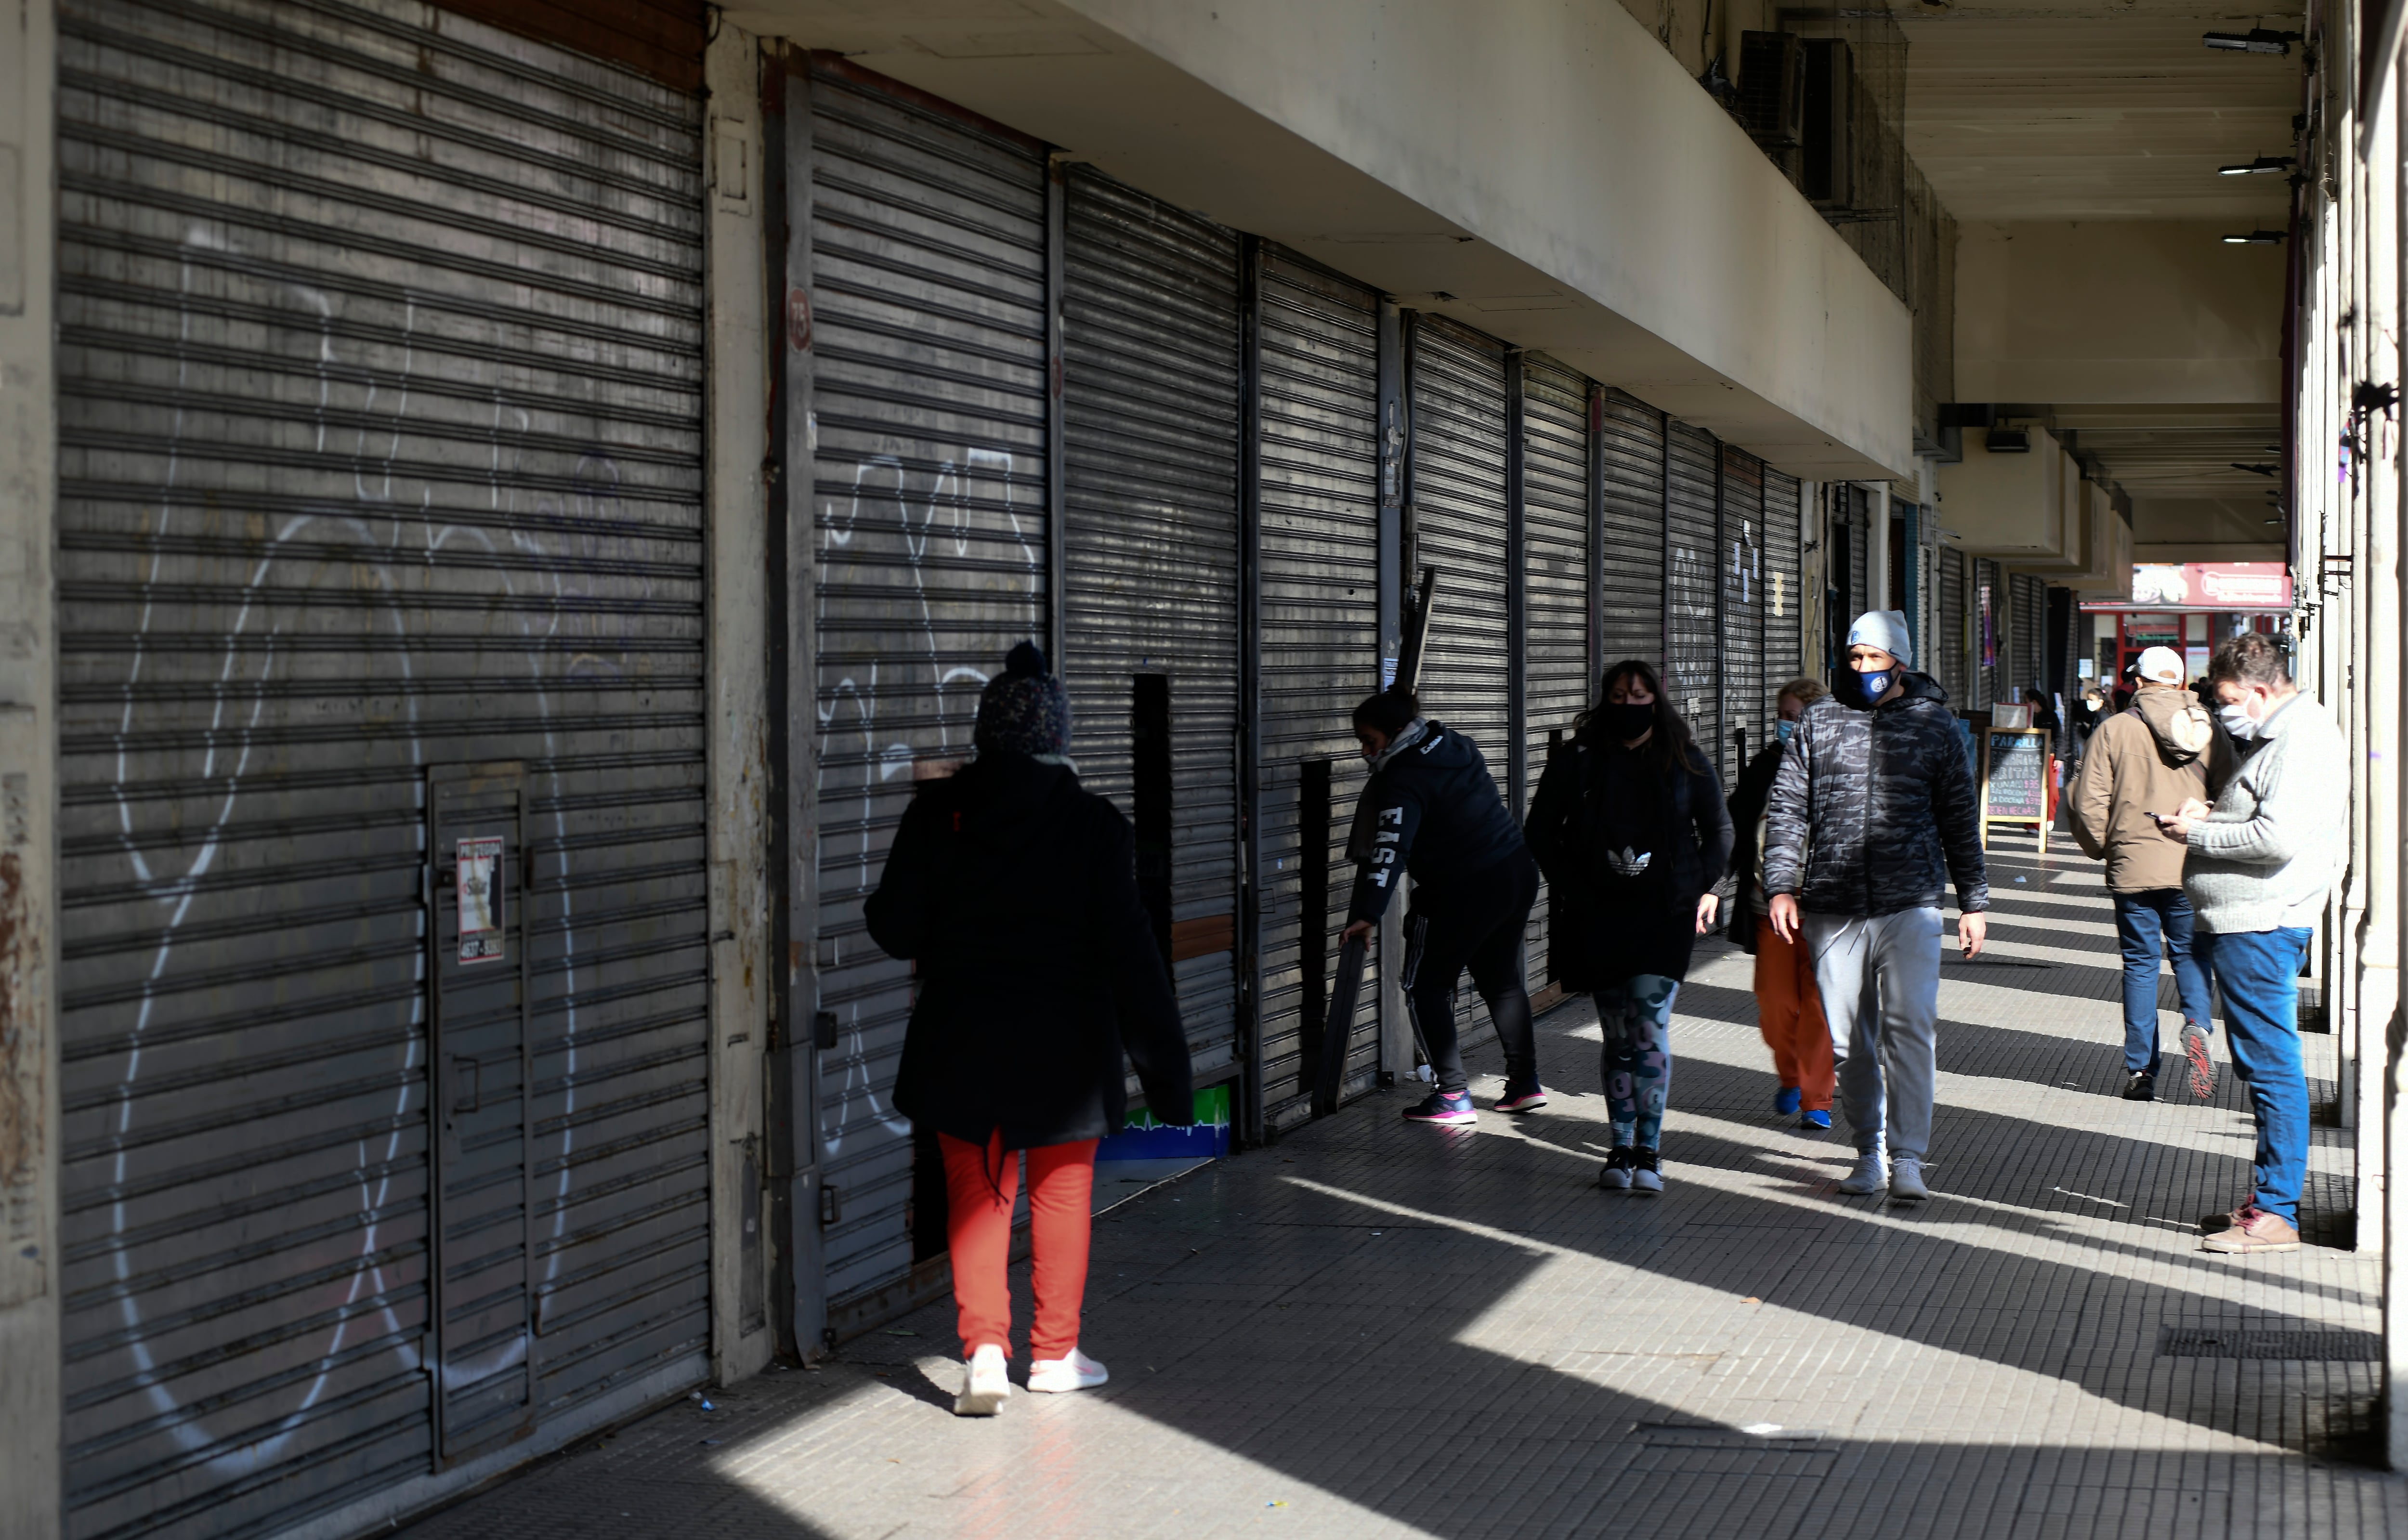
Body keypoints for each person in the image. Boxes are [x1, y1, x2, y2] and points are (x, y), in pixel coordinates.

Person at [864, 641, 1194, 1415]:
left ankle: (983, 1351)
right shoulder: (1093, 824)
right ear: (1058, 735)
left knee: (978, 1194)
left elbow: (894, 927)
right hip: (1066, 1047)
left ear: (986, 733)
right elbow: (1133, 953)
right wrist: (1167, 1073)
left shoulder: (938, 814)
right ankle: (1053, 1354)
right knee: (1060, 1193)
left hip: (962, 1038)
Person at [1764, 611, 1989, 1203]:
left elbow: (1958, 817)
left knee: (1910, 1029)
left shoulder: (1933, 725)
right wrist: (1780, 885)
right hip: (1832, 907)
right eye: (1854, 657)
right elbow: (1787, 808)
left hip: (1910, 902)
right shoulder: (1819, 721)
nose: (1861, 667)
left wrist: (1972, 901)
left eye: (1873, 657)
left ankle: (1907, 1158)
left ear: (1899, 663)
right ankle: (1869, 1151)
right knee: (1848, 1041)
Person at [2158, 632, 2346, 1255]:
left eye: (2227, 700)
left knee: (2270, 1067)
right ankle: (2267, 1203)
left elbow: (2274, 838)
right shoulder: (2281, 735)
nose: (2223, 712)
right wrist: (2213, 814)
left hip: (2262, 923)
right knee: (2264, 1064)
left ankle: (2275, 1214)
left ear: (2260, 691)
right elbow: (2266, 818)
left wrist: (2196, 833)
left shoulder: (2300, 738)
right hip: (2252, 922)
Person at [1525, 660, 1733, 1194]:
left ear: (1655, 700)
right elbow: (1540, 830)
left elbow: (1719, 830)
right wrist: (1573, 888)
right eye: (1618, 696)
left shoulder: (1684, 759)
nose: (1629, 706)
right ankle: (1619, 1147)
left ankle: (1649, 1150)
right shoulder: (1578, 760)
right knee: (1617, 1035)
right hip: (1600, 915)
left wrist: (1698, 886)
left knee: (1648, 1028)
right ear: (1605, 700)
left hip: (1663, 915)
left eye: (1638, 696)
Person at [1338, 687, 1542, 1123]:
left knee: (1425, 986)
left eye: (1370, 741)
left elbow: (1390, 849)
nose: (1365, 752)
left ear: (1395, 732)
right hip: (1515, 870)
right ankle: (1525, 1085)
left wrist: (1367, 914)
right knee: (1502, 981)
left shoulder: (1403, 777)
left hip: (1463, 888)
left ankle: (1452, 1095)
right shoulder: (1454, 743)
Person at [2068, 645, 2225, 1102]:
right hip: (2190, 862)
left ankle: (2141, 1071)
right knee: (2190, 956)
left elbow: (2089, 802)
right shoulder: (2207, 728)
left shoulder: (2114, 728)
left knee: (2140, 965)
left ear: (2138, 682)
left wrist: (2107, 849)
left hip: (2133, 866)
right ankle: (2197, 1024)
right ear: (2181, 682)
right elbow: (2232, 794)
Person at [1725, 678, 1835, 1131]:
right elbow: (1733, 828)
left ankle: (1817, 1099)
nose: (1789, 725)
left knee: (1820, 1009)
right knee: (1776, 1005)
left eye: (1798, 717)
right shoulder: (1764, 767)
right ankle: (1791, 1075)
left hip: (1828, 912)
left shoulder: (1841, 766)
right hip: (1769, 908)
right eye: (1784, 716)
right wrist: (1713, 884)